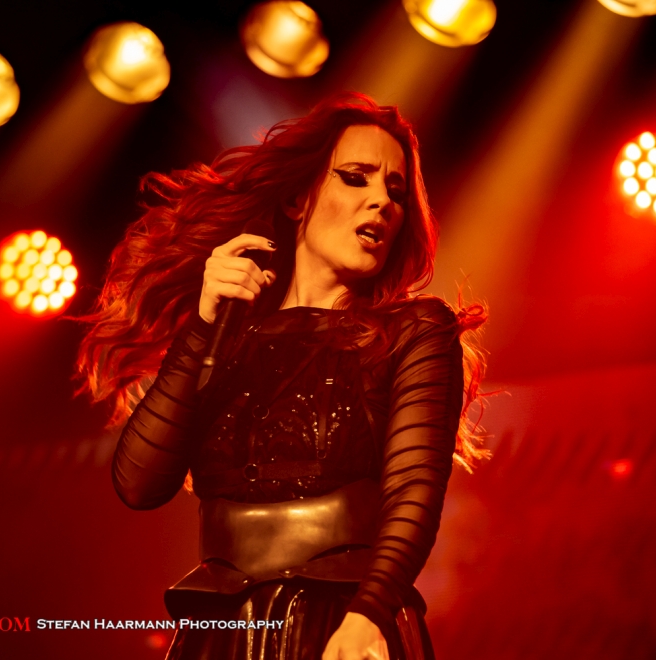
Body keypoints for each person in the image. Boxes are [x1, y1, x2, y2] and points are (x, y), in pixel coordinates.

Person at [77, 92, 489, 660]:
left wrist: (369, 614)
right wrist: (202, 325)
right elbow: (139, 484)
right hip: (220, 628)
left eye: (396, 191)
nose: (381, 201)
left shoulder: (414, 330)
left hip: (344, 615)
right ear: (297, 198)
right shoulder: (228, 336)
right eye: (355, 178)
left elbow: (414, 492)